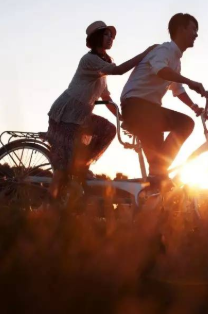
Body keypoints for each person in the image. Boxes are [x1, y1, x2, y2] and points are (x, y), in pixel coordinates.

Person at [47, 20, 156, 199]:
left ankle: (81, 168)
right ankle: (47, 206)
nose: (110, 39)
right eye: (106, 34)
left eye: (112, 36)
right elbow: (120, 70)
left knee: (108, 129)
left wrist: (122, 119)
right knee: (63, 166)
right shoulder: (89, 60)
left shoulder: (102, 69)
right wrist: (145, 53)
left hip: (81, 117)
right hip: (66, 114)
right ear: (96, 38)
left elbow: (106, 99)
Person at [120, 13, 207, 192]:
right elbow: (161, 71)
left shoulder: (175, 60)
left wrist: (194, 107)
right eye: (193, 29)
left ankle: (150, 198)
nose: (196, 34)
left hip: (149, 111)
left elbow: (177, 89)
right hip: (137, 107)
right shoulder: (163, 50)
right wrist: (190, 81)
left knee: (158, 178)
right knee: (185, 124)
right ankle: (158, 171)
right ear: (181, 29)